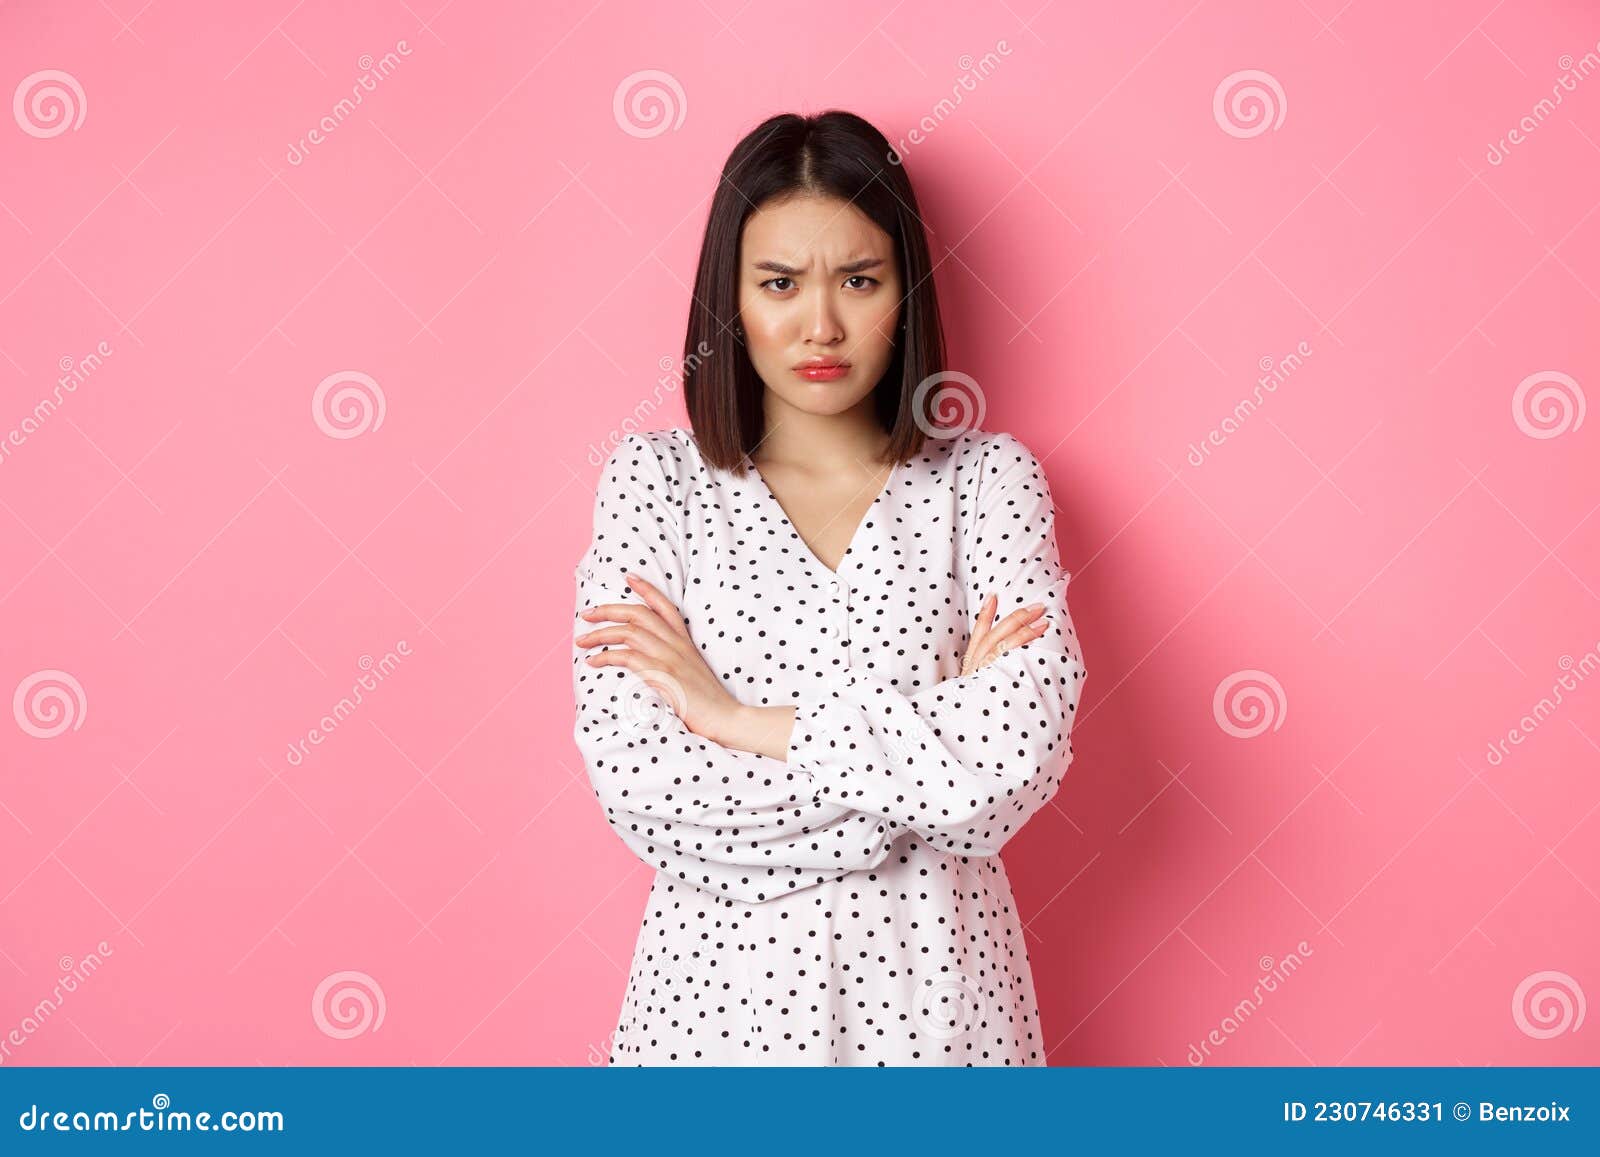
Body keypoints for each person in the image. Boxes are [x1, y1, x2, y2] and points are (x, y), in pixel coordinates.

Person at [571, 110, 1087, 1065]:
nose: (822, 325)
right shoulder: (654, 485)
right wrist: (924, 773)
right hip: (713, 1018)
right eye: (778, 283)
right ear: (728, 300)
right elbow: (641, 783)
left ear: (907, 290)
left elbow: (1016, 763)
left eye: (859, 279)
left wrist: (736, 720)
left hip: (940, 1009)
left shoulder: (988, 483)